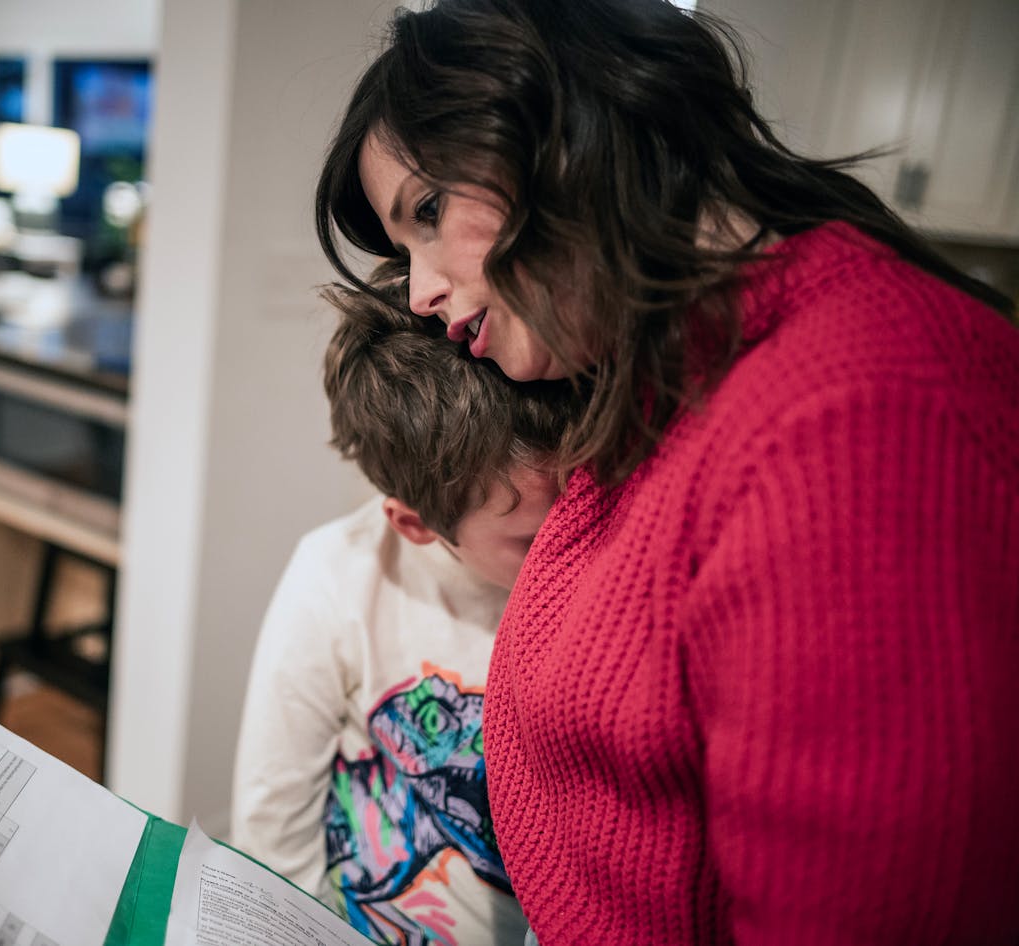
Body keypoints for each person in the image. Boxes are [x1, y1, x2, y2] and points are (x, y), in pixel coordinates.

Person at [314, 1, 1019, 943]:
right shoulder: (669, 377)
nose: (422, 289)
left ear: (564, 134)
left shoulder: (858, 418)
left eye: (431, 212)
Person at [231, 282, 581, 946]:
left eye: (585, 499)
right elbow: (272, 836)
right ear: (416, 524)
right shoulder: (337, 578)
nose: (573, 546)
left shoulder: (600, 580)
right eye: (532, 539)